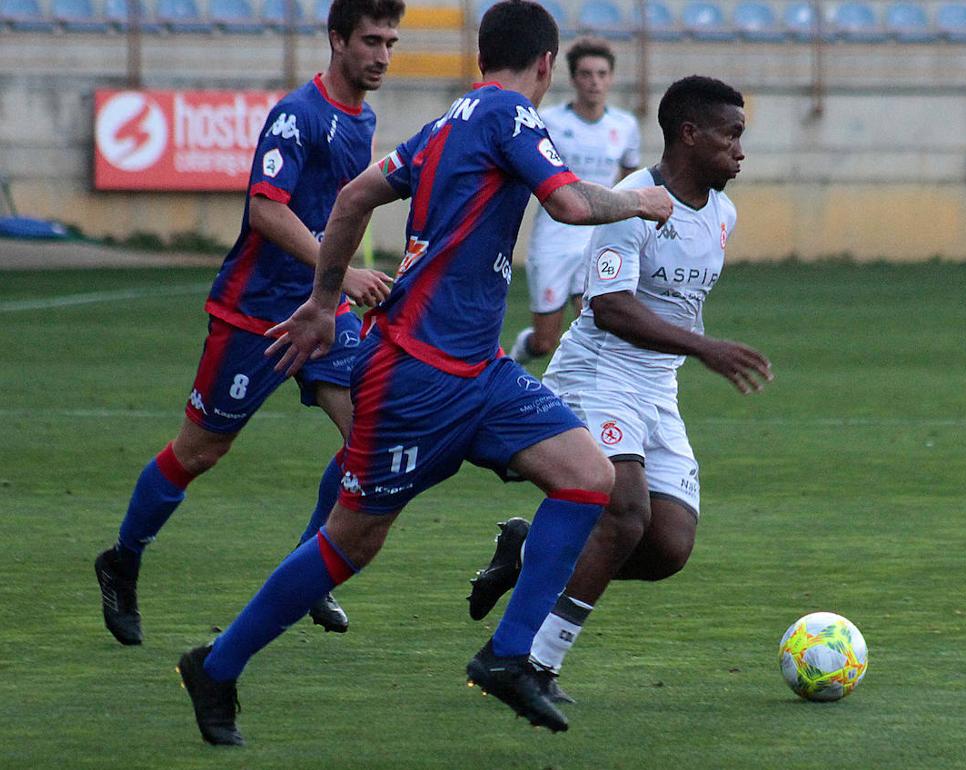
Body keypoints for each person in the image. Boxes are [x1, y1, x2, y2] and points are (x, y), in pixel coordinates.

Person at [174, 0, 673, 745]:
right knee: (350, 544)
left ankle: (509, 657)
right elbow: (567, 203)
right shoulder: (509, 115)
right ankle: (217, 664)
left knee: (588, 477)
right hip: (414, 373)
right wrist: (641, 200)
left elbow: (353, 197)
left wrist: (320, 300)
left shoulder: (447, 123)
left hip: (479, 370)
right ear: (545, 64)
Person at [93, 0, 402, 647]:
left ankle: (308, 572)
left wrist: (339, 286)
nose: (381, 55)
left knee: (367, 438)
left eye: (391, 42)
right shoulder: (299, 115)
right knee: (200, 452)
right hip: (254, 314)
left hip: (323, 310)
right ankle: (122, 558)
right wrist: (341, 271)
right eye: (371, 40)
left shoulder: (363, 117)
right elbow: (266, 210)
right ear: (337, 38)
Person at [466, 76, 772, 702]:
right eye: (732, 136)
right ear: (689, 134)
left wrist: (692, 350)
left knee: (667, 546)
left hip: (658, 386)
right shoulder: (631, 200)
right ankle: (534, 663)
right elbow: (609, 307)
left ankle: (528, 552)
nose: (741, 151)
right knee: (625, 514)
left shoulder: (723, 214)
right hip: (599, 374)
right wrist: (707, 347)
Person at [510, 36, 640, 366]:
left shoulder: (624, 126)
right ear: (573, 78)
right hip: (553, 240)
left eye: (601, 73)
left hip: (596, 241)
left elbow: (628, 183)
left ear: (610, 77)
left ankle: (580, 399)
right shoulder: (549, 122)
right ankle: (511, 363)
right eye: (586, 73)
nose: (594, 81)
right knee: (544, 342)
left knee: (596, 331)